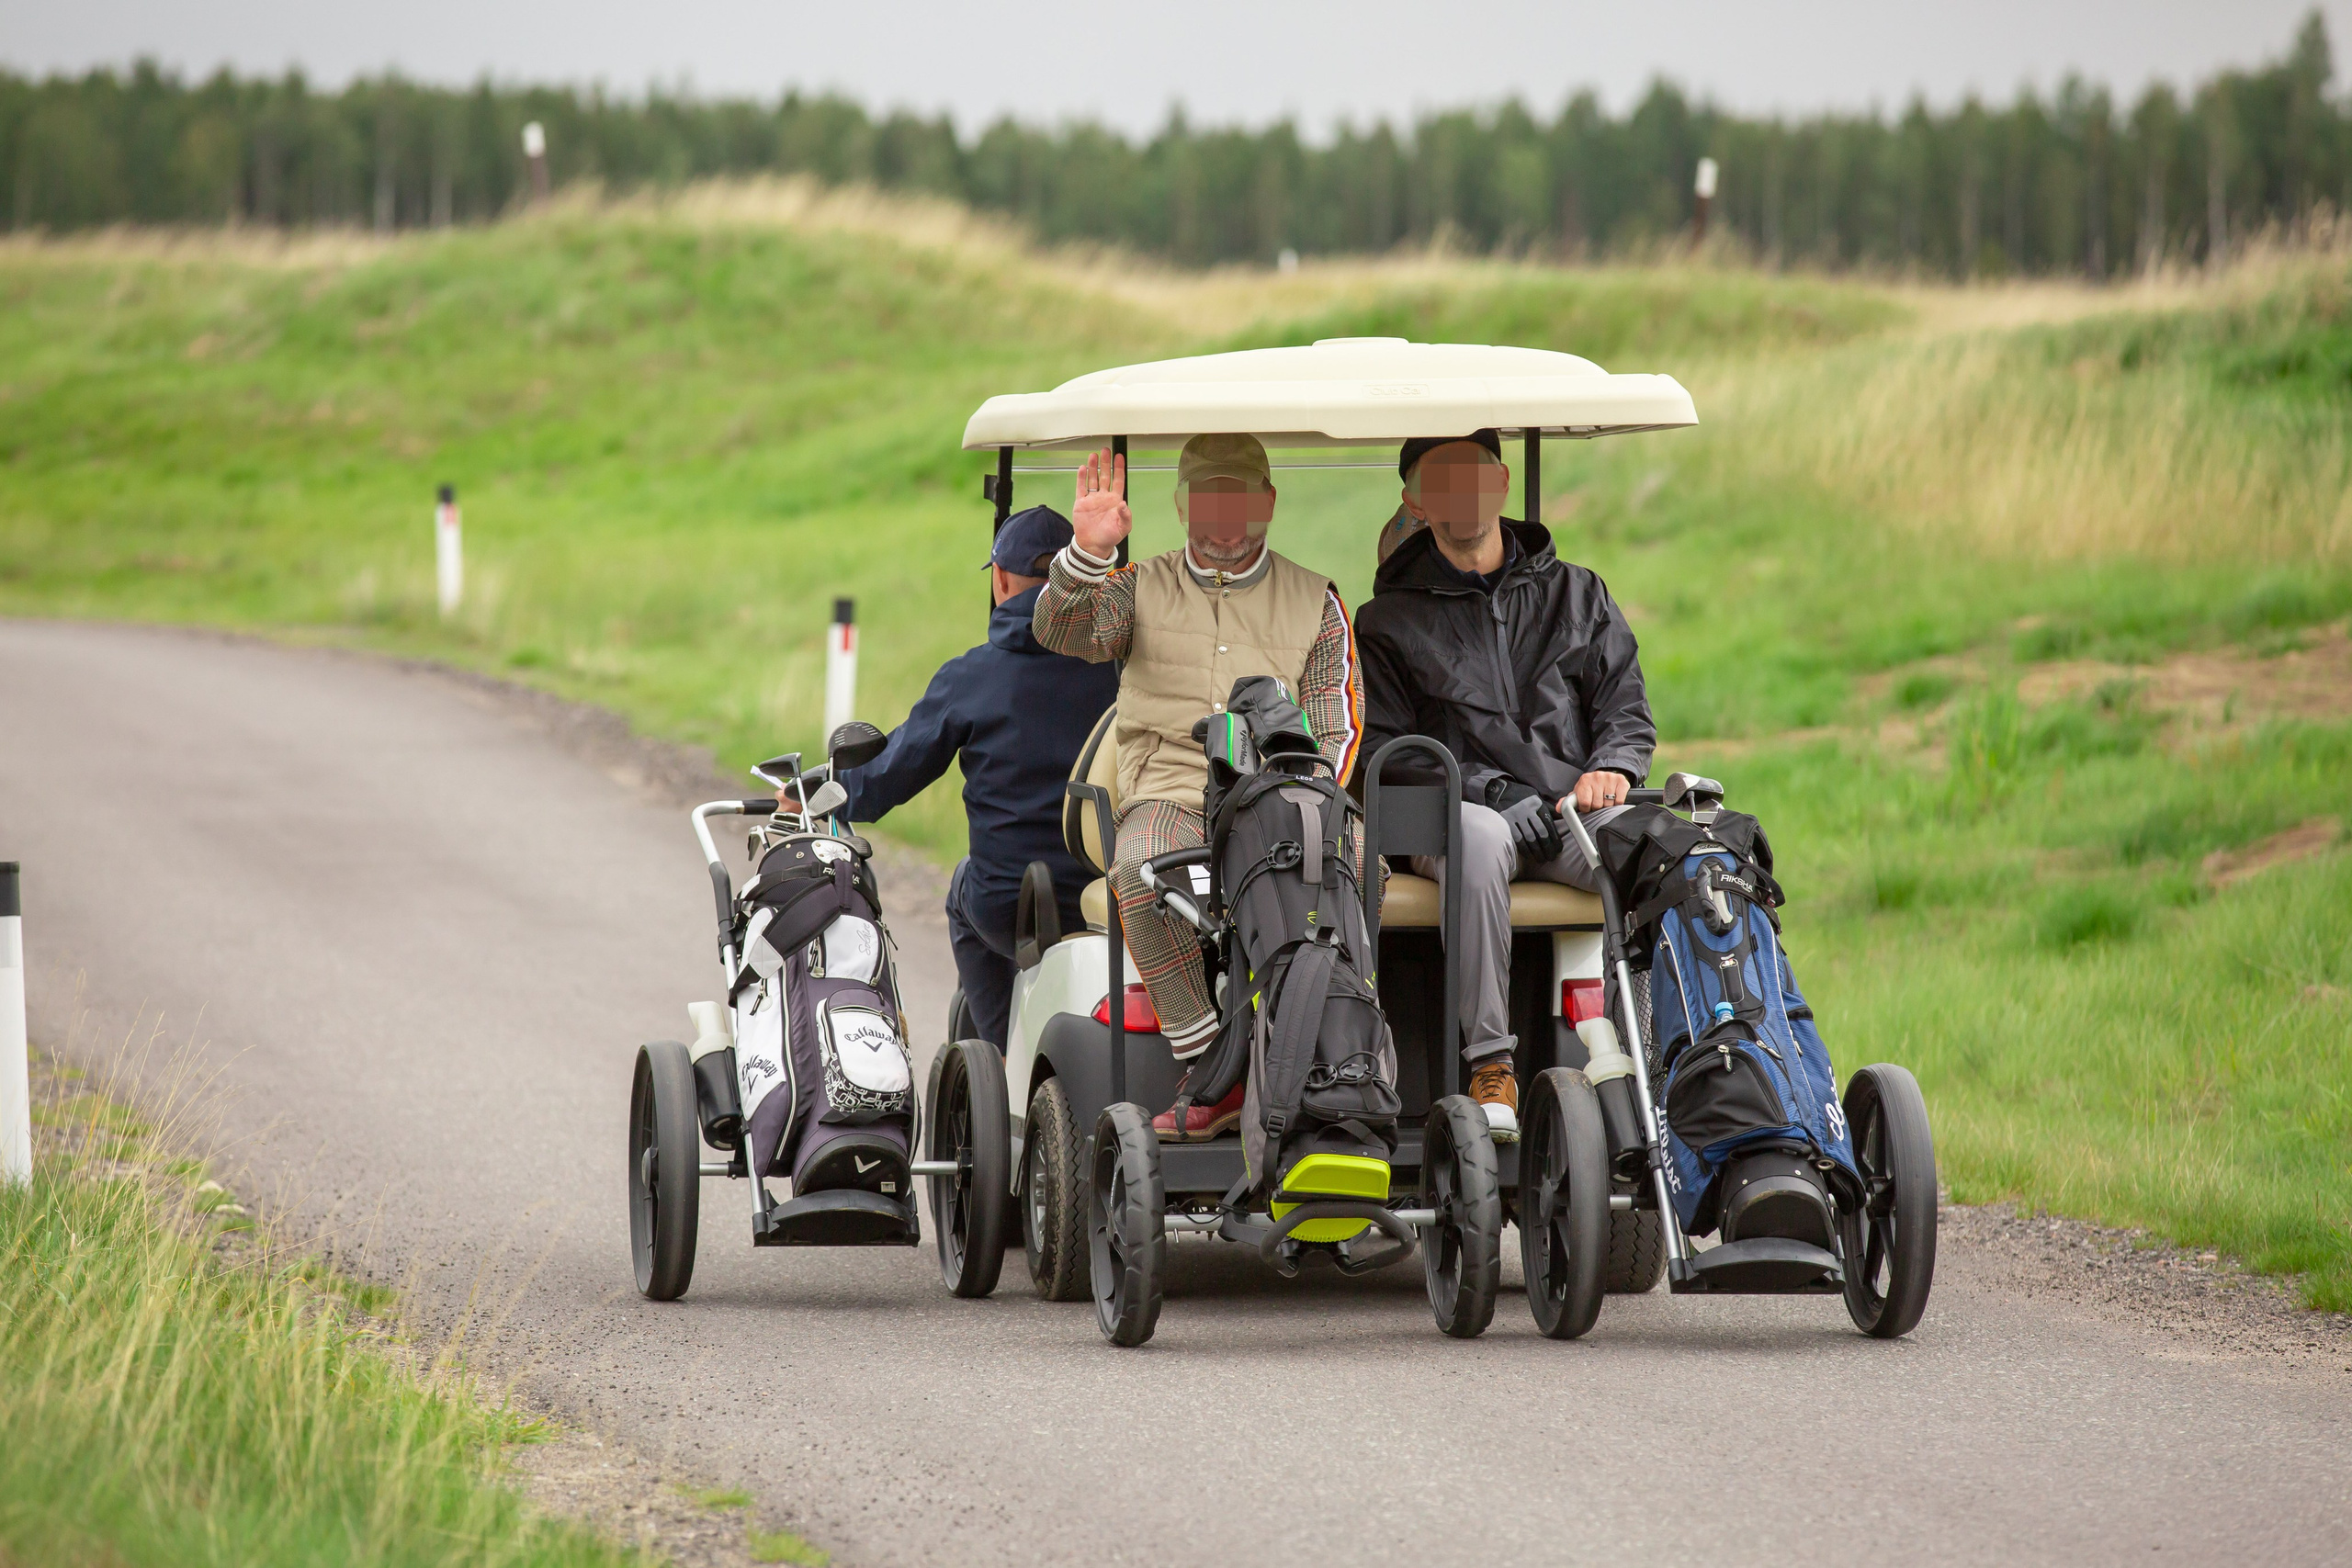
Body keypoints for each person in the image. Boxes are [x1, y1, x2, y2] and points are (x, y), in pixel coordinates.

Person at [1034, 434, 1363, 1139]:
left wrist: (1306, 802)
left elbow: (1337, 728)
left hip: (1283, 794)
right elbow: (1064, 631)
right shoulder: (1136, 585)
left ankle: (1345, 1057)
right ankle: (1215, 1063)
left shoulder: (1316, 600)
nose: (1224, 520)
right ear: (1182, 506)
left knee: (1357, 864)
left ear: (1268, 503)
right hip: (1174, 792)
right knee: (1137, 866)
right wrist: (1089, 554)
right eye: (1209, 501)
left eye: (1240, 500)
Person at [1353, 430, 1656, 1141]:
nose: (1462, 490)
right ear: (1417, 502)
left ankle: (1666, 1057)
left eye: (1475, 474)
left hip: (1570, 810)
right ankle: (1491, 1064)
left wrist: (1610, 767)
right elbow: (1387, 752)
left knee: (1663, 850)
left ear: (1502, 484)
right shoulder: (1388, 622)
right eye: (1442, 478)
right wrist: (1489, 791)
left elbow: (1626, 710)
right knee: (1482, 839)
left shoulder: (1578, 592)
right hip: (1455, 814)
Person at [814, 504, 1118, 1051]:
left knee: (962, 889)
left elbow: (888, 778)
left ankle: (1002, 1054)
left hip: (1012, 904)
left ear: (1001, 579)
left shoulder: (971, 676)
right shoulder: (1119, 668)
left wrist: (824, 795)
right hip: (1106, 892)